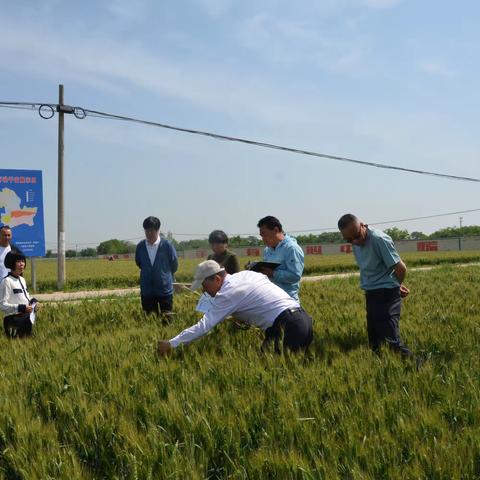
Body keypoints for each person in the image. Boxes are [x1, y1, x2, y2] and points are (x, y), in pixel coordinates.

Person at [157, 260, 313, 356]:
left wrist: (172, 343)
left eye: (204, 286)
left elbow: (203, 327)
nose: (204, 291)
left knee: (271, 373)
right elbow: (260, 297)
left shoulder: (227, 293)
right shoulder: (246, 275)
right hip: (302, 319)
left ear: (217, 279)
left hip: (287, 327)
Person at [337, 213, 412, 356]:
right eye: (349, 240)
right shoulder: (355, 241)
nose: (355, 242)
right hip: (371, 294)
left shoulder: (379, 239)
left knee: (390, 342)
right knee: (375, 343)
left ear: (363, 225)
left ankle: (418, 368)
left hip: (386, 295)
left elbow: (401, 268)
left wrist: (395, 286)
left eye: (357, 236)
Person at [135, 216, 178, 316]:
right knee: (150, 319)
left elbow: (174, 264)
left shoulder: (167, 245)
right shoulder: (140, 247)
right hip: (147, 290)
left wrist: (164, 275)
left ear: (158, 230)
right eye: (146, 231)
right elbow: (139, 263)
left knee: (167, 319)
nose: (149, 234)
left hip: (164, 290)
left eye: (151, 231)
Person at [256, 216, 304, 302]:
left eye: (264, 234)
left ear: (275, 230)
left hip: (288, 299)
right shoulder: (267, 250)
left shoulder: (292, 248)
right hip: (271, 298)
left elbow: (295, 276)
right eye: (261, 236)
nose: (263, 239)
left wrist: (273, 274)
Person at [0, 252, 40, 338]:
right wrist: (20, 307)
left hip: (25, 318)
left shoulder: (22, 279)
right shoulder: (6, 281)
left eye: (23, 261)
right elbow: (2, 305)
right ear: (11, 263)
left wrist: (34, 302)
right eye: (18, 261)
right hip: (13, 320)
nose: (22, 264)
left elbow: (25, 297)